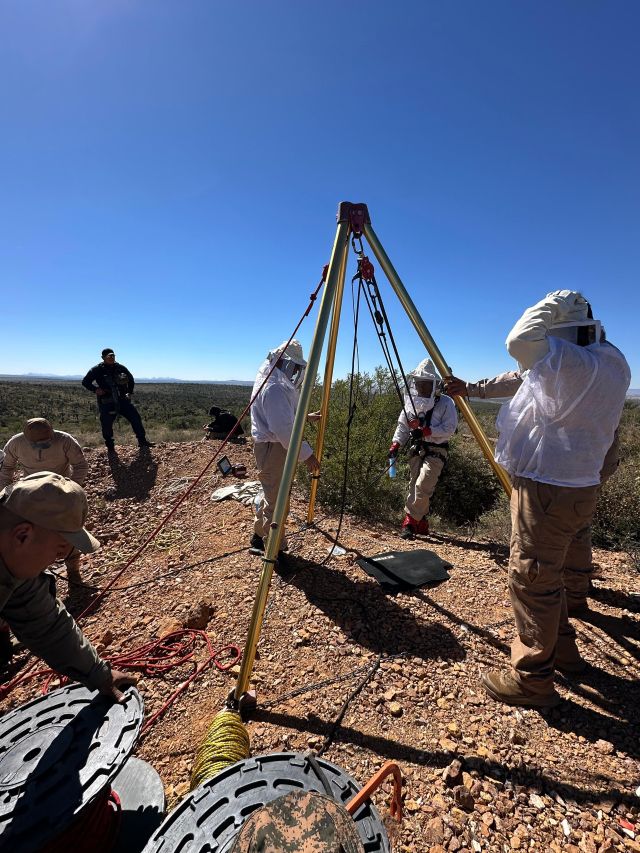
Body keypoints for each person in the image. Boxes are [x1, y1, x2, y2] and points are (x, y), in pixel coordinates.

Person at [474, 290, 630, 708]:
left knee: (531, 580)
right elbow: (523, 372)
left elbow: (519, 342)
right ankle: (563, 650)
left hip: (547, 489)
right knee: (551, 570)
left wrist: (554, 299)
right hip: (580, 487)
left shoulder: (570, 365)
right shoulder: (612, 362)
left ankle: (532, 680)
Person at [0, 472, 136, 700]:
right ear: (23, 535)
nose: (56, 560)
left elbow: (46, 625)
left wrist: (99, 674)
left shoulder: (18, 567)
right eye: (58, 550)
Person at [249, 340, 320, 555]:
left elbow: (281, 417)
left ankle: (259, 536)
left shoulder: (274, 383)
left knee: (273, 495)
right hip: (274, 448)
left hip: (273, 446)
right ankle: (274, 552)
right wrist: (307, 455)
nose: (296, 372)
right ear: (283, 363)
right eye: (294, 367)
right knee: (278, 502)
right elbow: (283, 429)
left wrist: (304, 417)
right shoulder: (274, 388)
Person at [0, 418, 90, 583]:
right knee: (31, 537)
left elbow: (81, 466)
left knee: (69, 534)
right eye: (37, 443)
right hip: (30, 494)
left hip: (61, 493)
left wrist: (70, 491)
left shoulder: (65, 440)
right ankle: (33, 579)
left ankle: (73, 572)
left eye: (46, 441)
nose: (42, 445)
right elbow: (6, 469)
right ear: (27, 438)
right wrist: (5, 495)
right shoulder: (16, 443)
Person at [388, 359, 458, 538]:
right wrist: (396, 444)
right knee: (415, 485)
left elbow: (449, 429)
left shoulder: (446, 403)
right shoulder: (411, 403)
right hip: (416, 448)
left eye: (425, 384)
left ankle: (409, 523)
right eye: (419, 383)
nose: (421, 387)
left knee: (423, 484)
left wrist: (427, 431)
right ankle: (422, 522)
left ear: (434, 385)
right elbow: (403, 426)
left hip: (436, 449)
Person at [82, 348, 154, 452]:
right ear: (103, 358)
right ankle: (110, 447)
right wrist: (96, 389)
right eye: (109, 356)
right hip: (107, 401)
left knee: (135, 418)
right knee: (106, 424)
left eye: (113, 356)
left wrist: (130, 392)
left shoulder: (120, 367)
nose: (111, 358)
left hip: (123, 399)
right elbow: (85, 382)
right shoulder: (97, 369)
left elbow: (131, 379)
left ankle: (142, 441)